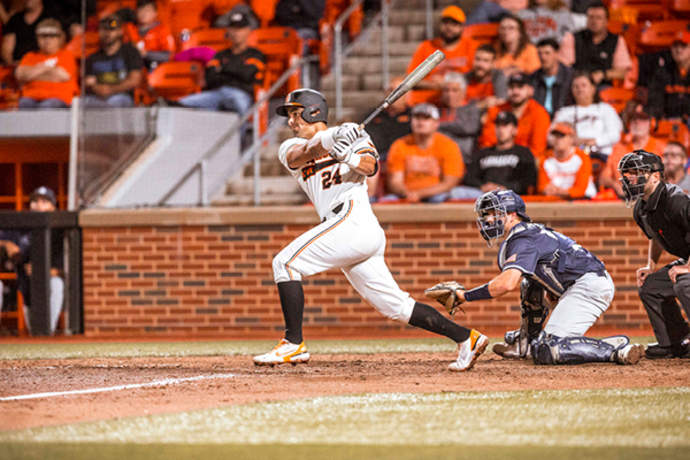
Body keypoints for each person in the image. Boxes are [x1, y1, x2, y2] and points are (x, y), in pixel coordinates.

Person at [252, 89, 488, 371]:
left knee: (285, 263)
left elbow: (370, 166)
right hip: (345, 227)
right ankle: (467, 338)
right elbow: (302, 154)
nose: (291, 121)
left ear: (312, 111)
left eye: (294, 113)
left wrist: (349, 156)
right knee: (396, 307)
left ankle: (293, 344)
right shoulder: (291, 146)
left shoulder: (356, 135)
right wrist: (331, 140)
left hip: (354, 219)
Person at [434, 189, 643, 365]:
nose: (488, 219)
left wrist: (465, 296)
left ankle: (615, 350)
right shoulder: (525, 233)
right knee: (530, 283)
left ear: (512, 214)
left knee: (549, 349)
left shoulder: (522, 239)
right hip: (578, 283)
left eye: (493, 213)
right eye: (485, 214)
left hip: (589, 286)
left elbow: (506, 284)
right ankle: (525, 342)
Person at [618, 150, 690, 359]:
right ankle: (674, 343)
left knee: (684, 283)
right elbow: (655, 237)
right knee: (651, 286)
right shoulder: (641, 207)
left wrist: (688, 267)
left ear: (655, 176)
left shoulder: (676, 200)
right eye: (627, 173)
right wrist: (650, 265)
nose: (630, 177)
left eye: (636, 172)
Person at [0, 187, 64, 336]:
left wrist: (43, 271)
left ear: (53, 207)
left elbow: (67, 270)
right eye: (35, 201)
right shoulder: (22, 228)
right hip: (26, 288)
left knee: (56, 283)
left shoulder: (61, 231)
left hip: (52, 289)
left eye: (44, 201)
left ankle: (51, 333)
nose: (38, 205)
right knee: (34, 334)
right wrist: (6, 244)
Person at [179, 11, 265, 115]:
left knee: (239, 105)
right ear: (228, 30)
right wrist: (235, 71)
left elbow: (246, 75)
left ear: (248, 31)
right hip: (217, 93)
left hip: (241, 94)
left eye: (240, 29)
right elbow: (210, 78)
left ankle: (241, 132)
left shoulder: (256, 54)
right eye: (233, 28)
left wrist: (223, 71)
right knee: (183, 103)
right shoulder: (220, 55)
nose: (236, 33)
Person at [385, 103, 465, 203]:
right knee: (387, 200)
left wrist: (420, 194)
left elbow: (449, 183)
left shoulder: (449, 145)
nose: (421, 122)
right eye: (417, 118)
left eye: (426, 118)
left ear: (436, 123)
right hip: (407, 194)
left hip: (437, 194)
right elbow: (395, 182)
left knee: (446, 196)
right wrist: (407, 193)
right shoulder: (399, 145)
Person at [405, 6, 478, 106]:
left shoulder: (472, 46)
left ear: (462, 27)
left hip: (462, 99)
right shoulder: (426, 47)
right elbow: (410, 79)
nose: (449, 27)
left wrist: (449, 84)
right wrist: (433, 85)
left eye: (454, 24)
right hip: (430, 100)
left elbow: (479, 74)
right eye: (446, 22)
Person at [558, 1, 632, 88]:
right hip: (577, 84)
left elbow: (623, 72)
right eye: (591, 17)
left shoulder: (616, 40)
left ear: (606, 21)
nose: (594, 21)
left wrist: (603, 75)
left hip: (602, 86)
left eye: (599, 18)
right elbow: (563, 67)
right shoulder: (573, 37)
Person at [552, 71, 623, 159]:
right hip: (573, 157)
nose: (580, 89)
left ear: (593, 88)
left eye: (584, 85)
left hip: (602, 156)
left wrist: (593, 141)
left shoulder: (605, 109)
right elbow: (551, 136)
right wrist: (570, 140)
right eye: (575, 86)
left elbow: (615, 134)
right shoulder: (564, 112)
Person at [478, 71, 551, 157]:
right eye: (512, 87)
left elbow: (538, 150)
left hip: (526, 163)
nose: (515, 91)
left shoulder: (539, 114)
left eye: (520, 87)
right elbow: (487, 143)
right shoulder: (496, 111)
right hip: (497, 161)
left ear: (530, 90)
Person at [464, 111, 537, 196]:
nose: (501, 130)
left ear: (515, 130)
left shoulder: (523, 153)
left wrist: (504, 187)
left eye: (505, 126)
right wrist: (482, 186)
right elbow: (469, 177)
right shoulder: (483, 153)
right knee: (456, 192)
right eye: (498, 126)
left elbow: (528, 180)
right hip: (483, 194)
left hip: (510, 195)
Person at [365, 77, 411, 201]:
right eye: (391, 90)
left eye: (399, 90)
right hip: (377, 156)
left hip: (403, 158)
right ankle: (369, 200)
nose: (395, 94)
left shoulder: (413, 116)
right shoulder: (373, 114)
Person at [14, 18, 78, 109]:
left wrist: (34, 71)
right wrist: (49, 69)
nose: (47, 40)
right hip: (31, 97)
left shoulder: (66, 55)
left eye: (52, 36)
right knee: (24, 103)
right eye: (43, 36)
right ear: (37, 38)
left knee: (47, 106)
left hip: (58, 98)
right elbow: (19, 75)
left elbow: (63, 76)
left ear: (60, 38)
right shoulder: (30, 56)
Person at [599, 111, 665, 198]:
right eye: (634, 120)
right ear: (629, 125)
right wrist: (615, 185)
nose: (637, 123)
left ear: (650, 124)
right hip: (623, 198)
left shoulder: (661, 147)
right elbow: (603, 179)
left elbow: (669, 178)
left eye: (642, 120)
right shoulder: (619, 148)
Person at [83, 14, 144, 108]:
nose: (107, 33)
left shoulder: (130, 52)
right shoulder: (92, 57)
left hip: (123, 96)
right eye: (104, 29)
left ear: (120, 31)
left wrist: (110, 90)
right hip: (98, 97)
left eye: (112, 29)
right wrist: (94, 87)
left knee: (115, 102)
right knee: (80, 103)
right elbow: (88, 82)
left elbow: (134, 80)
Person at [538, 122, 596, 199]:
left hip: (582, 200)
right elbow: (542, 186)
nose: (557, 140)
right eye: (555, 136)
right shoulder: (545, 158)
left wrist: (559, 191)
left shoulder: (582, 158)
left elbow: (580, 190)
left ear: (571, 138)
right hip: (555, 199)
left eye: (562, 136)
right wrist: (548, 190)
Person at [438, 72, 482, 166]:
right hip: (441, 159)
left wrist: (439, 125)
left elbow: (469, 128)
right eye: (446, 90)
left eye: (455, 90)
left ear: (463, 92)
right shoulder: (439, 111)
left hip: (465, 159)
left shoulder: (471, 109)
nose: (450, 94)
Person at [647, 31, 690, 126]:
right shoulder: (662, 72)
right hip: (667, 120)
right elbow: (654, 100)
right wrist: (660, 117)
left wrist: (684, 118)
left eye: (683, 46)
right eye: (675, 46)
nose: (679, 50)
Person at [530, 37, 573, 117]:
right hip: (539, 118)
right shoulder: (533, 77)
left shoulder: (570, 76)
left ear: (557, 54)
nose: (543, 57)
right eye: (540, 53)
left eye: (547, 53)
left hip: (563, 118)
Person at [1, 0, 51, 65]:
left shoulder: (50, 18)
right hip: (17, 65)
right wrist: (14, 65)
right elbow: (6, 50)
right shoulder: (15, 19)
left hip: (43, 64)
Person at [129, 0, 175, 69]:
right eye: (141, 10)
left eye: (147, 10)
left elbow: (169, 56)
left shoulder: (162, 30)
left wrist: (146, 54)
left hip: (156, 68)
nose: (144, 14)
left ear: (155, 13)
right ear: (136, 12)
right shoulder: (129, 29)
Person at [464, 44, 507, 111]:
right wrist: (482, 104)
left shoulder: (498, 76)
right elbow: (458, 108)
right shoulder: (465, 78)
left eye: (486, 61)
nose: (480, 64)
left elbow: (502, 101)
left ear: (493, 63)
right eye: (477, 59)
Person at [517, 0, 582, 44]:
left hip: (552, 53)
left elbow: (570, 37)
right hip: (527, 54)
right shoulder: (522, 14)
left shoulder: (562, 13)